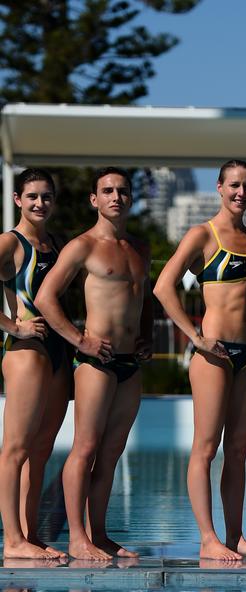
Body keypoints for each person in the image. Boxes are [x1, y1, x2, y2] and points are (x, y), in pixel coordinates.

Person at [154, 160, 246, 561]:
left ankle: (235, 535)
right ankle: (208, 538)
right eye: (233, 185)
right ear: (219, 188)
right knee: (205, 449)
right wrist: (195, 337)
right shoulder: (202, 235)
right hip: (214, 355)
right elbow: (163, 287)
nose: (240, 192)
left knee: (239, 451)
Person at [35, 167, 152, 561]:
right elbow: (46, 298)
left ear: (130, 197)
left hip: (129, 363)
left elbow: (144, 298)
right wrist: (78, 338)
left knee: (111, 453)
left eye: (122, 190)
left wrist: (147, 336)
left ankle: (99, 535)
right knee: (84, 449)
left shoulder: (141, 247)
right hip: (95, 362)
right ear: (94, 199)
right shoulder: (82, 246)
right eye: (107, 191)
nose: (115, 197)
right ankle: (77, 537)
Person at [0, 168, 72, 560]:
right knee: (15, 448)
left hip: (58, 352)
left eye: (46, 197)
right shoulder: (10, 243)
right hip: (26, 352)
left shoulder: (57, 244)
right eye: (32, 197)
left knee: (41, 449)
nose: (39, 203)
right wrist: (15, 326)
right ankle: (12, 540)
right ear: (18, 200)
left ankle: (28, 535)